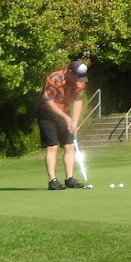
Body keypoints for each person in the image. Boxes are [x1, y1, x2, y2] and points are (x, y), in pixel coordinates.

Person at [39, 59, 89, 190]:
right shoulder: (54, 78)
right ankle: (52, 181)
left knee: (69, 145)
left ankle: (69, 178)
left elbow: (78, 101)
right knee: (52, 146)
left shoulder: (79, 82)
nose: (79, 80)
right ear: (69, 72)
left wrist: (74, 121)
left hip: (64, 112)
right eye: (77, 77)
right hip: (47, 113)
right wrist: (66, 118)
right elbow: (49, 102)